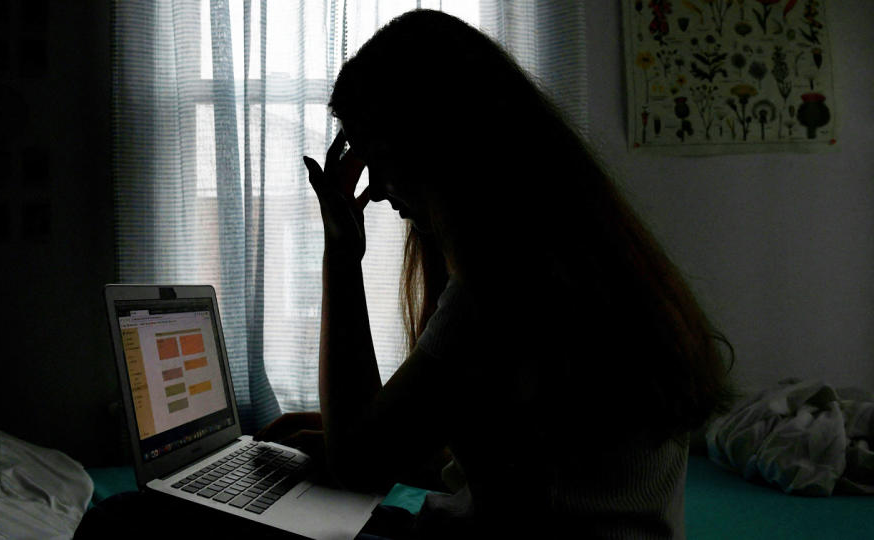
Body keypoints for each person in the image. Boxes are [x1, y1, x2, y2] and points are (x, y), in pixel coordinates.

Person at [254, 8, 736, 539]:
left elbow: (359, 465)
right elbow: (520, 448)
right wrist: (365, 434)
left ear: (428, 141)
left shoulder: (501, 289)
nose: (374, 184)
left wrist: (342, 258)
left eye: (375, 151)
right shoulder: (583, 254)